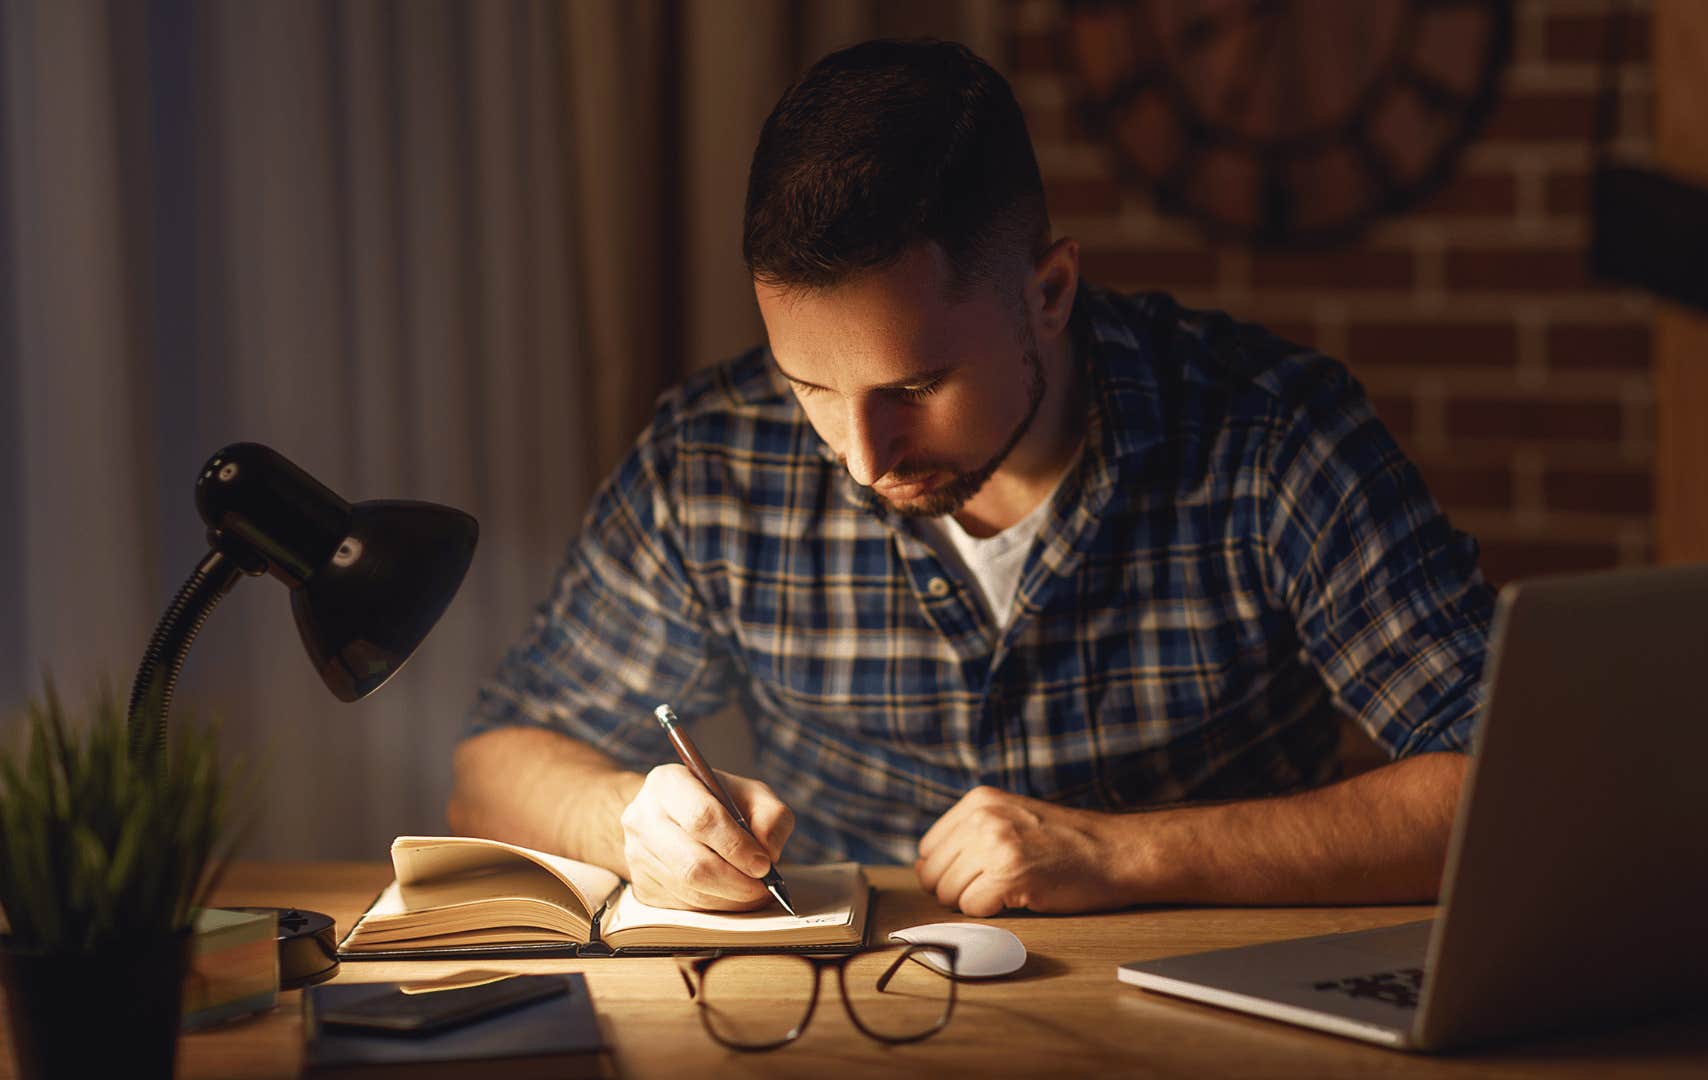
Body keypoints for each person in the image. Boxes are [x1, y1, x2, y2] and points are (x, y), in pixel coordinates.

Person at [448, 39, 1492, 919]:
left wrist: (1128, 855)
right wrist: (632, 820)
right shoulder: (714, 463)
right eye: (809, 385)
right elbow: (489, 768)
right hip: (846, 1028)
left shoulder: (1272, 433)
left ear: (1050, 290)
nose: (863, 456)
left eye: (916, 385)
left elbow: (1506, 788)